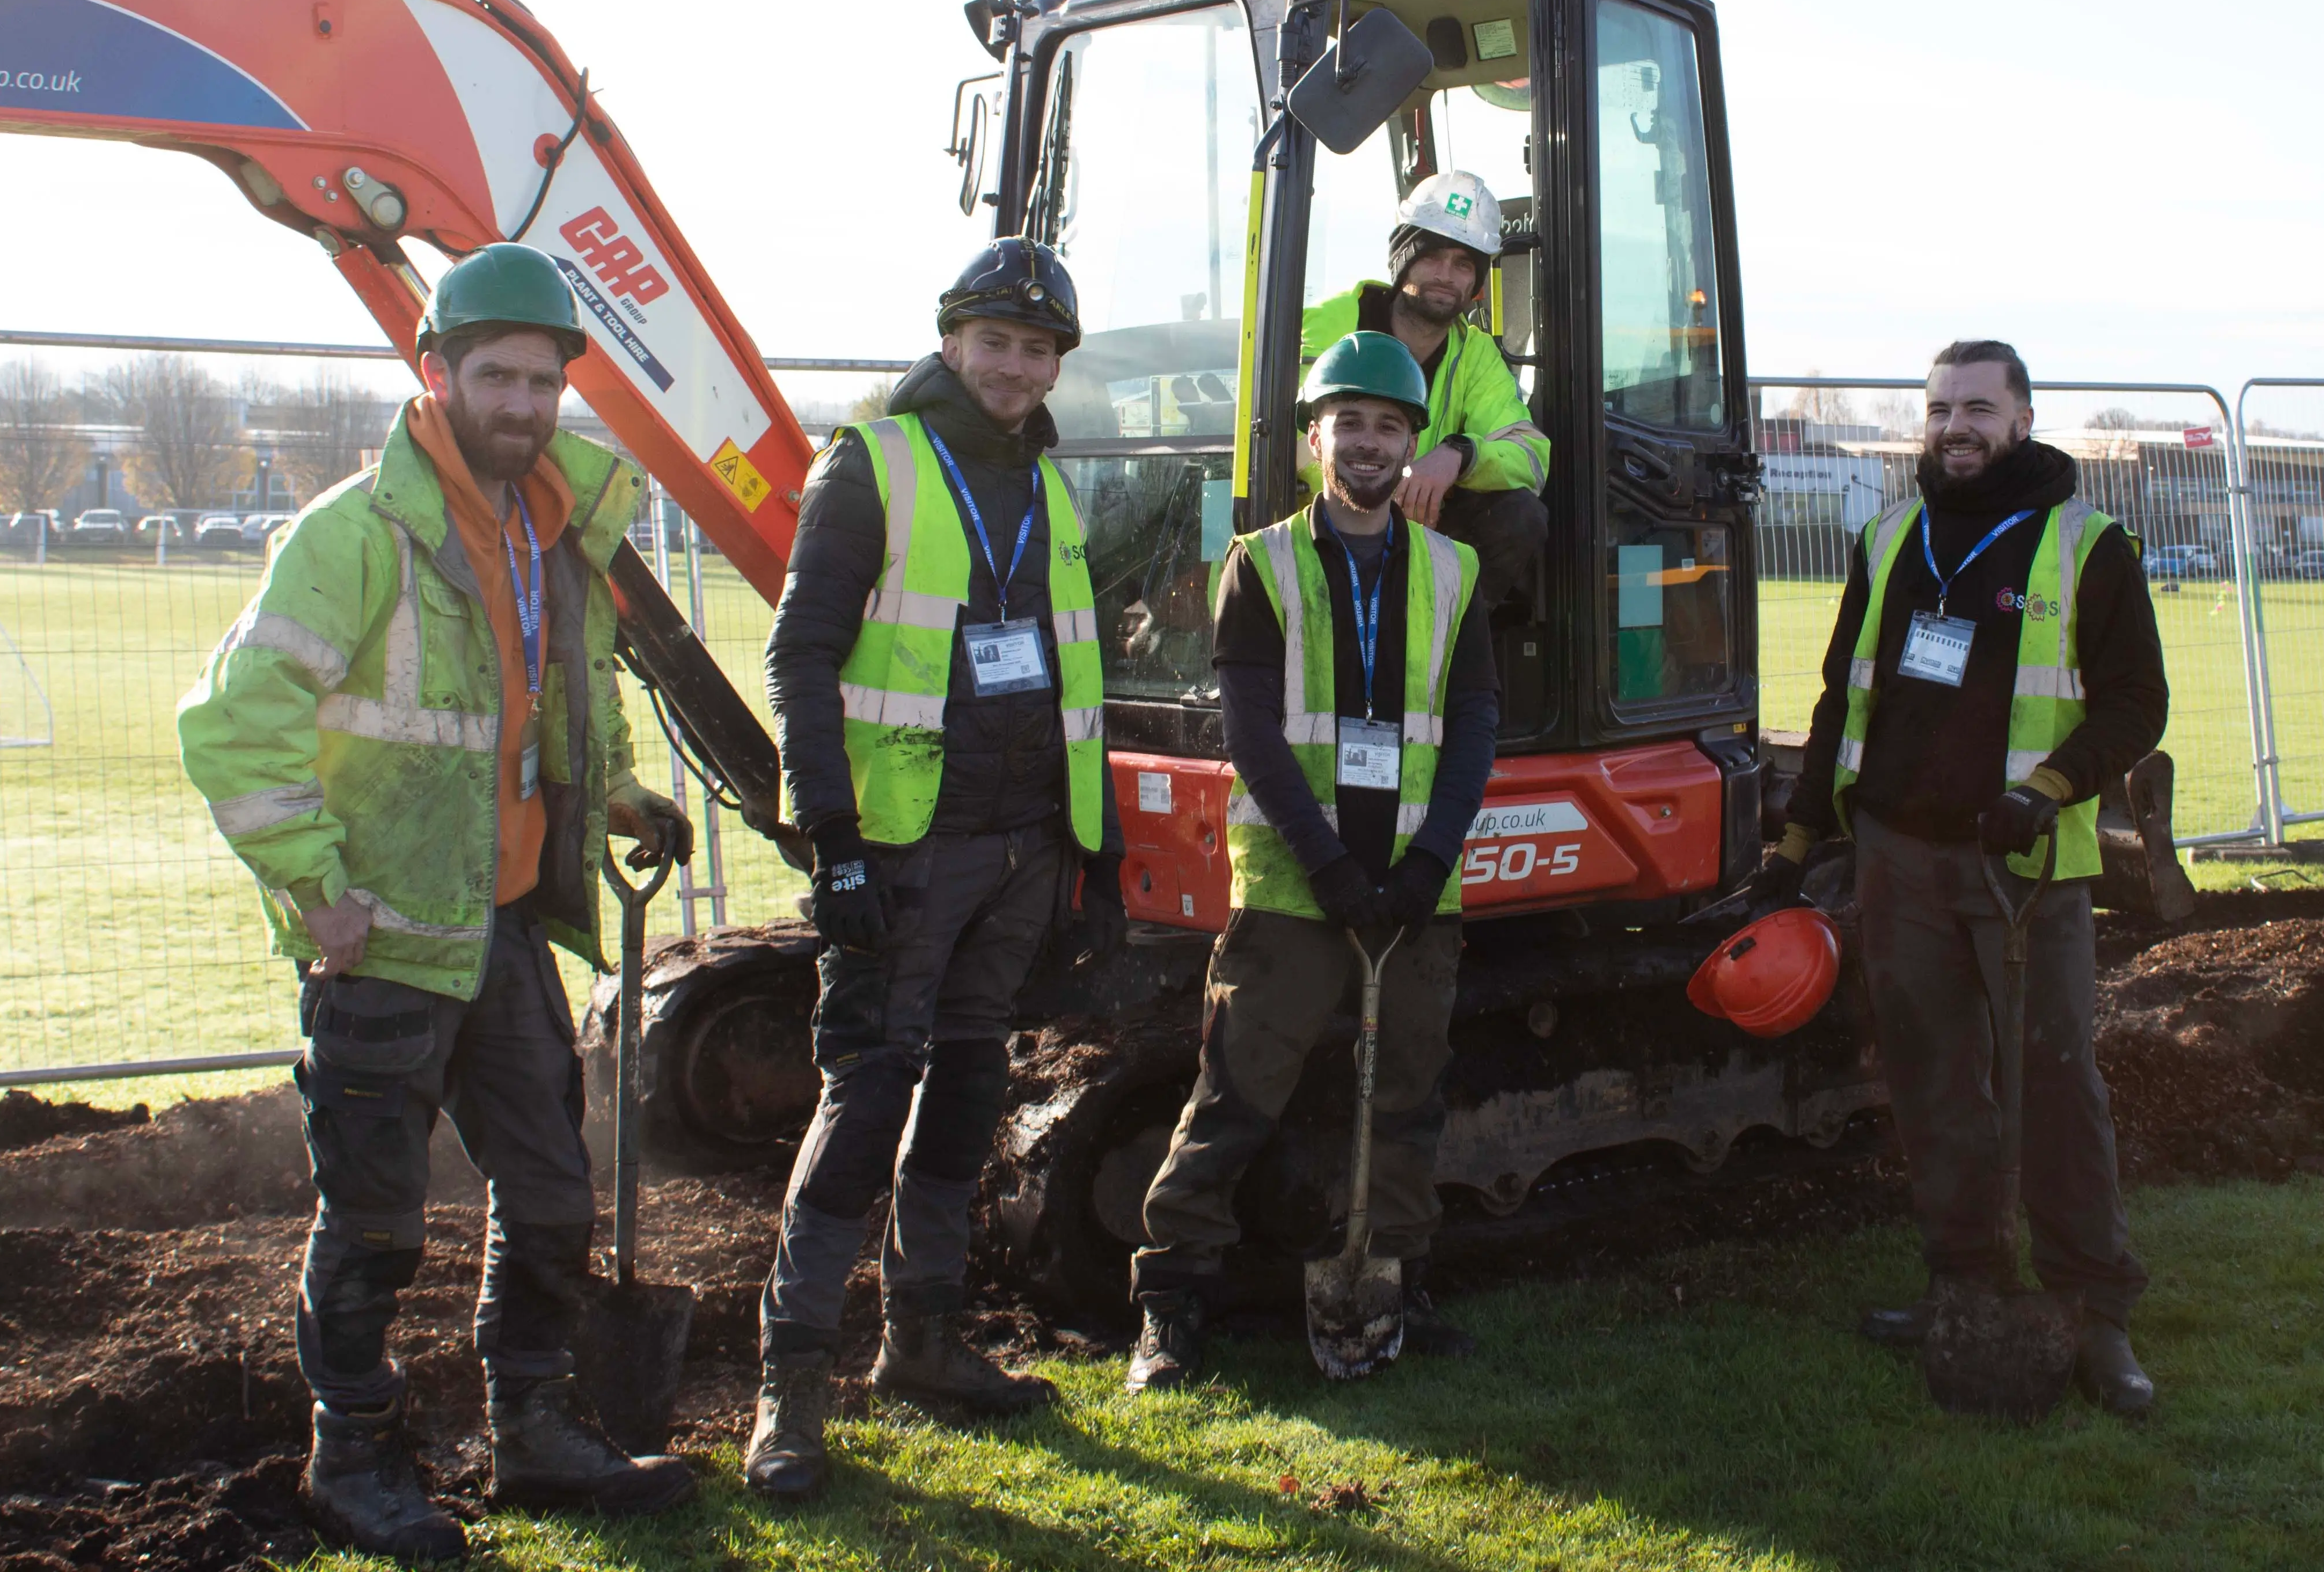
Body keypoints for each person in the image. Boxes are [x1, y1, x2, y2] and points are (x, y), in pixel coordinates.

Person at [175, 244, 699, 1561]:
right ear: (434, 372)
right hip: (385, 944)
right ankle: (349, 1456)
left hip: (508, 928)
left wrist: (620, 792)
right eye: (497, 376)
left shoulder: (558, 528)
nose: (524, 403)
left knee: (553, 1194)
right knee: (374, 1223)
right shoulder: (356, 535)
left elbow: (563, 698)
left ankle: (531, 1428)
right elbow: (234, 723)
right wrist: (314, 886)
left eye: (544, 380)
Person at [741, 238, 1126, 1501]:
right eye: (995, 342)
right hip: (907, 851)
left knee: (965, 1091)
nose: (1016, 368)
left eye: (1038, 349)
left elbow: (1071, 673)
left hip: (1021, 848)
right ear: (953, 342)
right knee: (863, 1098)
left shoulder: (1049, 487)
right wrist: (833, 844)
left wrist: (1089, 847)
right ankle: (788, 1398)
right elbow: (801, 656)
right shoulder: (876, 465)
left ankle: (925, 1345)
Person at [1754, 338, 2170, 1420]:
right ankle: (1964, 1287)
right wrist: (1795, 844)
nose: (1955, 427)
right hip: (1896, 858)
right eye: (1939, 408)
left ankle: (2094, 1313)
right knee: (1932, 1083)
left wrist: (2047, 784)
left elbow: (2134, 703)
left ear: (2023, 419)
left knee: (2052, 1085)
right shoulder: (1887, 535)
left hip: (2023, 867)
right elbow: (1840, 698)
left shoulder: (2087, 543)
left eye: (1978, 408)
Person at [1123, 332, 1500, 1391]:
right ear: (1314, 438)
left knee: (1408, 1092)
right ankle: (1171, 1306)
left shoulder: (1452, 567)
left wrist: (1429, 858)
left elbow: (1472, 723)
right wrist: (1331, 866)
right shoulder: (1264, 561)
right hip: (1297, 888)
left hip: (1420, 891)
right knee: (1237, 1092)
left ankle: (1391, 1286)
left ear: (1410, 443)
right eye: (1350, 422)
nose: (1369, 443)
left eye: (1389, 425)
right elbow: (1251, 729)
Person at [1297, 170, 1549, 615]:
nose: (1446, 276)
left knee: (1521, 516)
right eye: (1433, 257)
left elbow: (1530, 455)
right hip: (1325, 529)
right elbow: (1285, 439)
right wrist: (1376, 487)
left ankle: (1447, 649)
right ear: (1404, 256)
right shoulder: (1328, 325)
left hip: (1419, 532)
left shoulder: (1475, 356)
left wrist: (1460, 456)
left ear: (1476, 285)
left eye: (1463, 264)